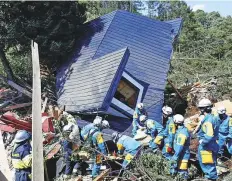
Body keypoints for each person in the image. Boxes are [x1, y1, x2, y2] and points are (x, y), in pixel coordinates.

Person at [197, 98, 219, 181]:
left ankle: (211, 178)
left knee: (207, 163)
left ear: (204, 109)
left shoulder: (208, 120)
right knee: (211, 162)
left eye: (200, 108)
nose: (200, 110)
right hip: (213, 143)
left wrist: (203, 142)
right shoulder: (214, 117)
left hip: (207, 145)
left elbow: (209, 135)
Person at [169, 114, 190, 180]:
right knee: (178, 169)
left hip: (182, 155)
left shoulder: (182, 133)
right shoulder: (181, 130)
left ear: (176, 123)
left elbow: (179, 147)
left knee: (182, 171)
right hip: (180, 153)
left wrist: (175, 157)